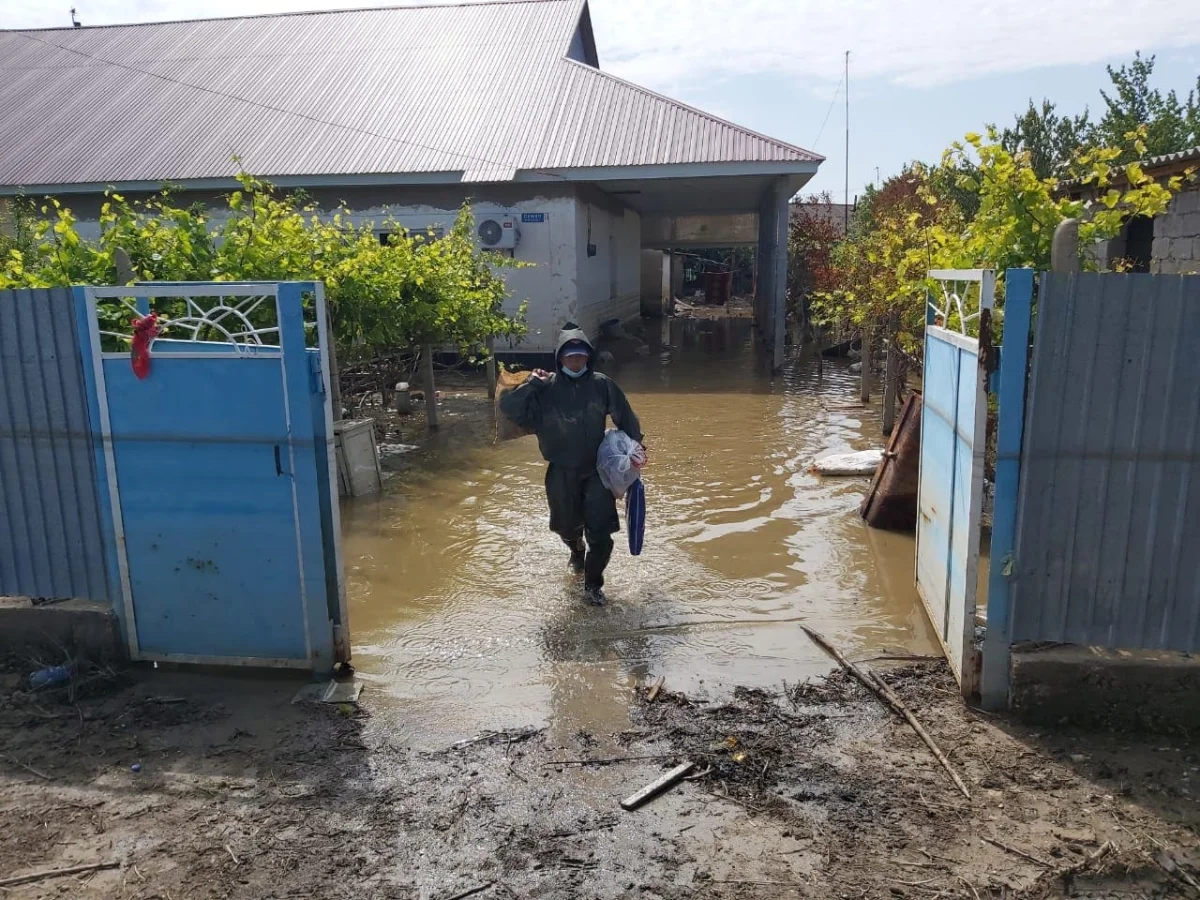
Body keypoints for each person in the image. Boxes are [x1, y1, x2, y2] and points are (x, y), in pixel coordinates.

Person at [500, 323, 645, 604]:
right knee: (564, 526)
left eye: (580, 355)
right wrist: (531, 384)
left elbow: (625, 416)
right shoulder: (545, 387)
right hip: (561, 469)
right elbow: (510, 409)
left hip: (597, 470)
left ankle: (593, 587)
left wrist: (635, 448)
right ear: (559, 358)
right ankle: (576, 550)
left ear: (588, 357)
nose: (575, 361)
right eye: (570, 356)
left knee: (601, 534)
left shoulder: (601, 384)